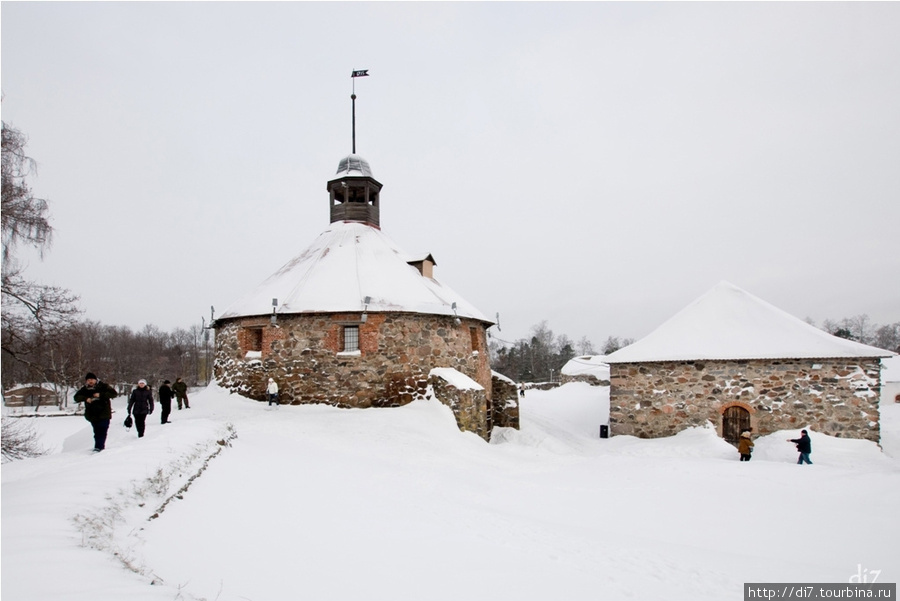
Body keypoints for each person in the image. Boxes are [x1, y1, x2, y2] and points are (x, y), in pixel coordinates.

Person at [74, 372, 118, 453]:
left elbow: (114, 394)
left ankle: (99, 447)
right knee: (96, 431)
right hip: (92, 414)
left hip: (104, 413)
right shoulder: (85, 389)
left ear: (95, 380)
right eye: (88, 380)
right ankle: (98, 446)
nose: (90, 381)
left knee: (102, 430)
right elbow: (76, 397)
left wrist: (101, 395)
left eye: (92, 379)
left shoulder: (103, 386)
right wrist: (86, 398)